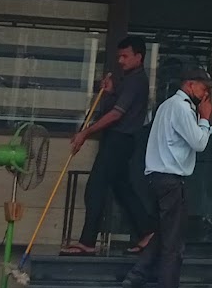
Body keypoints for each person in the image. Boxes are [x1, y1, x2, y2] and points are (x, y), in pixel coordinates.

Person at [121, 65, 212, 288]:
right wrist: (205, 119)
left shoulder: (166, 106)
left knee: (164, 235)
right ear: (190, 84)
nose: (206, 94)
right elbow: (199, 143)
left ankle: (136, 277)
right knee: (173, 246)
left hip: (157, 178)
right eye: (203, 88)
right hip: (171, 180)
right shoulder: (182, 108)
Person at [63, 36, 153, 256]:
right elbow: (116, 107)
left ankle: (87, 241)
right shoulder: (128, 80)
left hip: (119, 140)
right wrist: (112, 91)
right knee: (123, 189)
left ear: (139, 57)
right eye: (119, 56)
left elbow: (116, 114)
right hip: (119, 140)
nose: (120, 61)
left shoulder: (136, 81)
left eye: (125, 56)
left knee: (95, 187)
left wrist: (85, 132)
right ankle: (147, 232)